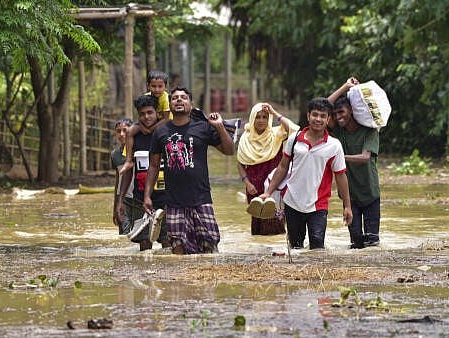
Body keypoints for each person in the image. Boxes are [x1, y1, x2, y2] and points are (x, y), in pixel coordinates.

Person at [143, 87, 235, 255]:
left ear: (190, 105)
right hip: (173, 200)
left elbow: (229, 150)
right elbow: (154, 166)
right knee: (177, 246)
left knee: (210, 243)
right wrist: (147, 195)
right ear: (169, 105)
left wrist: (219, 126)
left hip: (201, 197)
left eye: (183, 98)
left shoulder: (203, 127)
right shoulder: (160, 132)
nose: (179, 100)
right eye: (175, 98)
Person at [260, 97, 353, 250]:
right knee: (295, 247)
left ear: (328, 119)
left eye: (323, 116)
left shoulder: (334, 146)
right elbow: (283, 167)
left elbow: (341, 176)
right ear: (308, 116)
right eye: (315, 115)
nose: (318, 119)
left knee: (317, 246)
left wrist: (347, 206)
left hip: (318, 205)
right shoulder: (294, 139)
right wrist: (268, 193)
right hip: (292, 201)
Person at [328, 77, 381, 248]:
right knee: (356, 244)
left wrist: (339, 157)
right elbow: (324, 106)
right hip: (349, 197)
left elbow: (365, 158)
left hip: (370, 193)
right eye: (335, 114)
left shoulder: (370, 131)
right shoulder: (339, 132)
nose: (338, 117)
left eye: (341, 112)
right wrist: (345, 87)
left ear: (351, 110)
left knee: (373, 243)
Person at [116, 95, 169, 251]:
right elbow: (129, 170)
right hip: (140, 198)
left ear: (157, 113)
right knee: (144, 242)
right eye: (142, 114)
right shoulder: (133, 136)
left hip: (166, 197)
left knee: (167, 241)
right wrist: (120, 201)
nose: (146, 117)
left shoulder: (166, 133)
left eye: (150, 112)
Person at [237, 102, 299, 235]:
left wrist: (274, 112)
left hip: (275, 184)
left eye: (265, 117)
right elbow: (240, 163)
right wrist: (247, 183)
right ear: (252, 118)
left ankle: (277, 251)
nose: (261, 120)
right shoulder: (245, 139)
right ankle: (260, 251)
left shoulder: (276, 134)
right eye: (258, 117)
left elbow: (294, 130)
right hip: (253, 187)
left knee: (276, 222)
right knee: (258, 223)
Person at [121, 70, 170, 174]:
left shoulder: (165, 99)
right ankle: (129, 160)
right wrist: (144, 128)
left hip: (162, 122)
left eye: (160, 86)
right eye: (153, 86)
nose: (157, 89)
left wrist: (150, 129)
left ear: (165, 86)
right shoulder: (146, 96)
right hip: (146, 123)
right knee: (129, 132)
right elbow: (140, 114)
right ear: (148, 86)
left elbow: (166, 119)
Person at [111, 118, 133, 234]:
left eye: (125, 130)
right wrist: (115, 208)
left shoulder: (139, 150)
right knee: (124, 235)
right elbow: (117, 182)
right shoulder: (115, 155)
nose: (122, 134)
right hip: (123, 199)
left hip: (138, 198)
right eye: (118, 131)